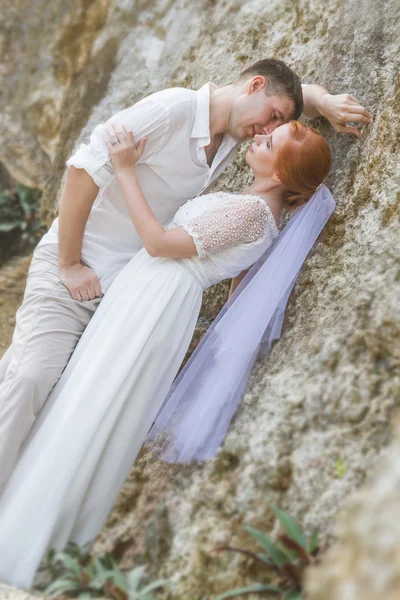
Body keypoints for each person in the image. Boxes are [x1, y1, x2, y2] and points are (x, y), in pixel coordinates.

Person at [0, 58, 372, 493]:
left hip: (122, 290)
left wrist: (323, 102)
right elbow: (83, 170)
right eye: (270, 121)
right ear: (252, 86)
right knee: (30, 379)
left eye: (275, 128)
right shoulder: (170, 111)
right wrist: (68, 263)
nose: (264, 132)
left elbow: (286, 97)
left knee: (45, 392)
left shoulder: (236, 136)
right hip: (78, 271)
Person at [0, 118, 332, 590]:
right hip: (148, 294)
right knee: (81, 401)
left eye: (270, 141)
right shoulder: (258, 213)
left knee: (89, 409)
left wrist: (126, 169)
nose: (259, 137)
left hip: (155, 302)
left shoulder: (253, 215)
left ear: (279, 174)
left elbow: (160, 243)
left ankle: (22, 540)